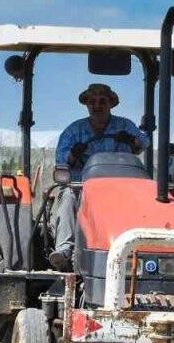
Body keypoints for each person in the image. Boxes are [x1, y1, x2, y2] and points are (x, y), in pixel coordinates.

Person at [49, 83, 150, 270]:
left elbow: (143, 142)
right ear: (86, 104)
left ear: (110, 104)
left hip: (120, 187)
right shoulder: (73, 131)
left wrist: (131, 140)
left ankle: (141, 247)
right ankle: (64, 251)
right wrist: (73, 154)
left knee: (144, 199)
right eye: (92, 102)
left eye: (102, 101)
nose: (97, 106)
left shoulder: (124, 126)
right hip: (83, 188)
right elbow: (62, 161)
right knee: (68, 195)